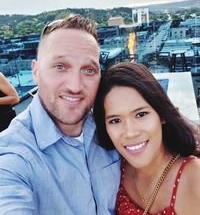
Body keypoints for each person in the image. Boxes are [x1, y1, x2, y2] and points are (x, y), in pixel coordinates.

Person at [0, 15, 121, 215]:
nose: (75, 86)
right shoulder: (13, 155)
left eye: (89, 70)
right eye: (60, 67)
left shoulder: (114, 124)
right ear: (35, 71)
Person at [93, 61, 200, 215]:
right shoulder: (115, 168)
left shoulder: (194, 179)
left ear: (162, 114)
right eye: (115, 120)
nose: (130, 132)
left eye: (141, 114)